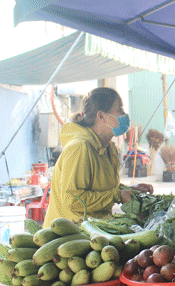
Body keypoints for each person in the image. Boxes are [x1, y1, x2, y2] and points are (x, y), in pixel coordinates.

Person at [43, 88, 153, 227]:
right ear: (101, 116)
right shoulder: (80, 148)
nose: (125, 115)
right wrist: (117, 196)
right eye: (120, 110)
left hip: (95, 230)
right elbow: (74, 200)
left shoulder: (109, 149)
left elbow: (101, 188)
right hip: (69, 235)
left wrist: (129, 190)